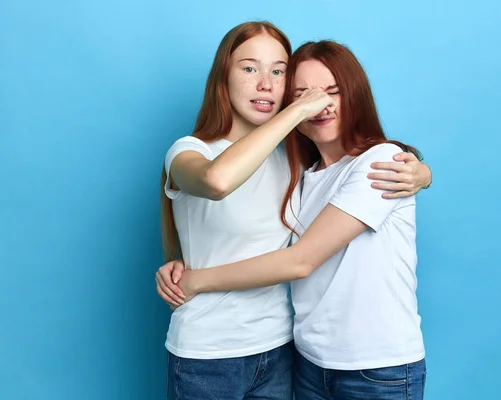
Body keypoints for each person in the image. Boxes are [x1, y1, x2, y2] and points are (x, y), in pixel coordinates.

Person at [157, 21, 432, 400]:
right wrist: (297, 110)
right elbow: (217, 183)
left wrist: (421, 172)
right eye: (249, 68)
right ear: (224, 75)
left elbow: (303, 252)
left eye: (278, 71)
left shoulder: (301, 164)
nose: (265, 83)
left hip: (285, 350)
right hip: (217, 352)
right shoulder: (193, 151)